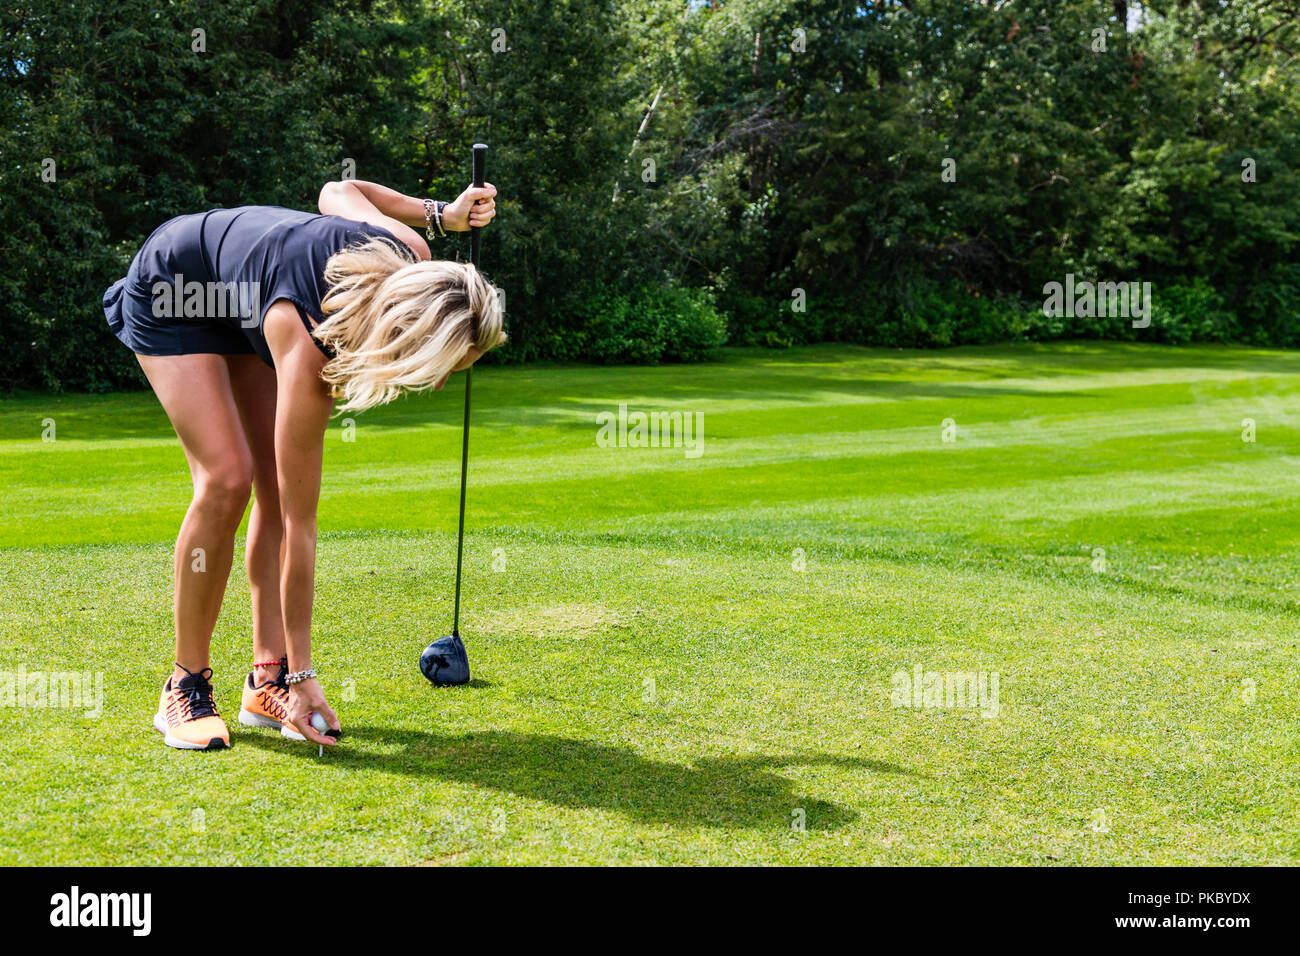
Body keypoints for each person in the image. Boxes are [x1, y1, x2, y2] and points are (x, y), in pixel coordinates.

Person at [101, 178, 503, 750]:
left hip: (246, 291)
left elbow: (337, 190)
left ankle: (265, 681)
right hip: (180, 283)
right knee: (228, 478)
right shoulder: (307, 339)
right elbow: (300, 525)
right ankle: (184, 685)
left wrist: (440, 215)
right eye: (435, 365)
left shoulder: (411, 251)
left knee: (271, 484)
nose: (436, 381)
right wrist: (306, 676)